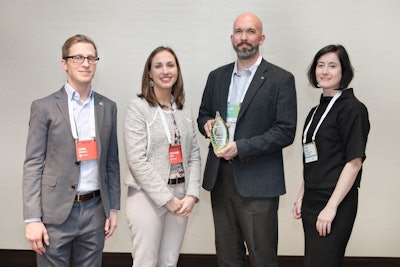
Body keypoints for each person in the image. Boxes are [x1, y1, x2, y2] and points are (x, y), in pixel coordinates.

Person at [197, 13, 297, 267]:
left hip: (259, 182)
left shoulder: (281, 79)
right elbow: (203, 115)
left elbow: (285, 131)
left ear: (261, 38)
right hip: (220, 180)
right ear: (231, 38)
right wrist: (207, 124)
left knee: (262, 257)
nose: (244, 38)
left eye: (251, 32)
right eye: (239, 32)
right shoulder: (216, 76)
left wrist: (241, 147)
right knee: (228, 257)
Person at [22, 34, 120, 267]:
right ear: (64, 63)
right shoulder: (44, 107)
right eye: (77, 58)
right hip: (55, 212)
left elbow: (112, 162)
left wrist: (113, 207)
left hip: (95, 211)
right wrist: (33, 218)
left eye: (91, 58)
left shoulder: (108, 107)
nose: (85, 64)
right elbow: (33, 164)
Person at [292, 44, 370, 267]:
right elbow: (312, 158)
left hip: (336, 200)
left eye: (332, 66)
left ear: (343, 72)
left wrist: (332, 206)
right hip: (312, 199)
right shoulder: (315, 111)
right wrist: (301, 195)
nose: (324, 71)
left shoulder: (353, 108)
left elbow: (354, 162)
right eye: (320, 65)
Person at [124, 46, 201, 267]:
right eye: (158, 66)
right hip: (146, 196)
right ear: (149, 72)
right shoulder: (138, 107)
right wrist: (166, 199)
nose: (165, 71)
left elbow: (194, 154)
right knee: (146, 261)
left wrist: (192, 194)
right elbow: (137, 160)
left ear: (177, 70)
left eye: (170, 65)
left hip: (181, 195)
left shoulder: (183, 110)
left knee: (169, 261)